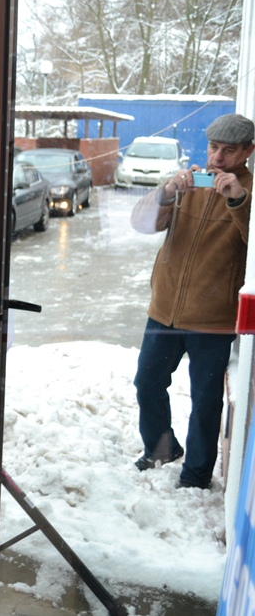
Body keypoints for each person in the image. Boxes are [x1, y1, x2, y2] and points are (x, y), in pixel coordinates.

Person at [129, 113, 254, 490]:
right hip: (165, 310)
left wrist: (239, 200)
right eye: (214, 147)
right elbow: (140, 223)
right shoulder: (190, 182)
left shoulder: (249, 192)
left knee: (205, 401)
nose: (217, 158)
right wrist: (167, 192)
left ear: (248, 151)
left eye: (228, 151)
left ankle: (196, 475)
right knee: (147, 383)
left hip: (213, 318)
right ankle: (161, 448)